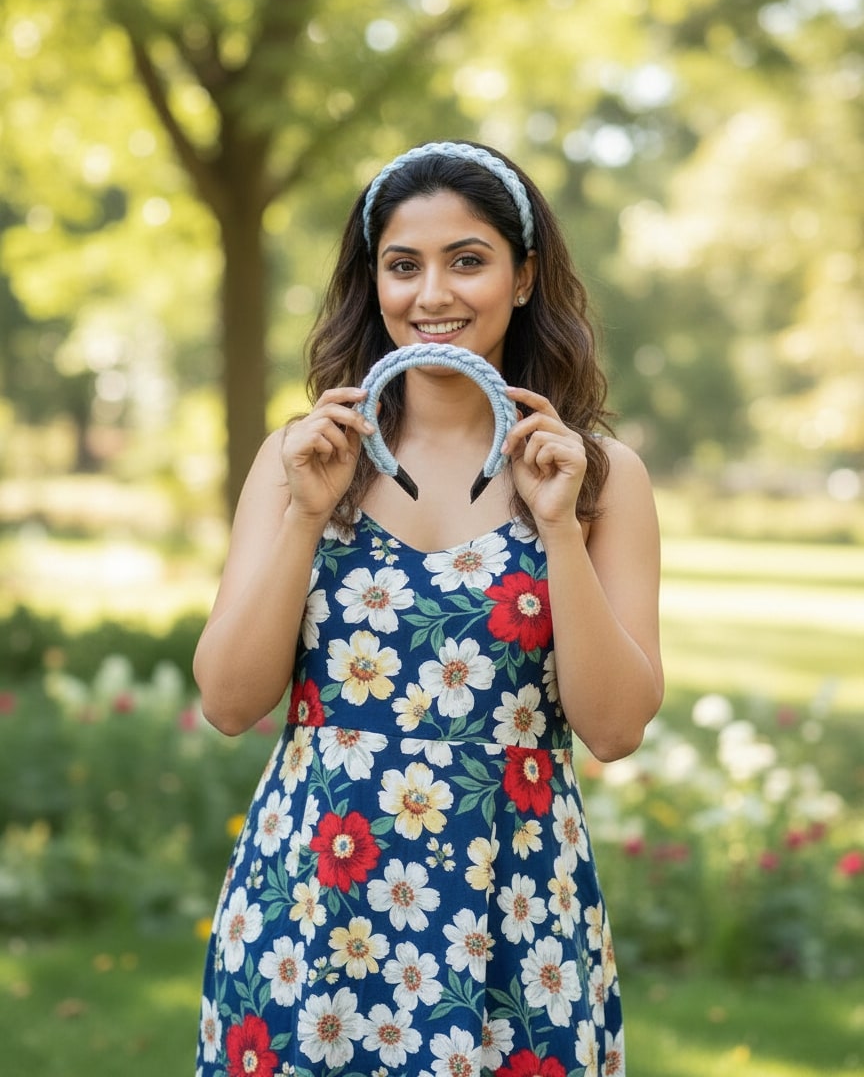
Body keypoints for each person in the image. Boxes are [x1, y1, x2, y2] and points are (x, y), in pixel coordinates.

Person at [193, 140, 663, 1077]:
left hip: (515, 909)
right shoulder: (302, 459)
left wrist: (560, 528)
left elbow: (612, 730)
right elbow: (230, 703)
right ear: (373, 283)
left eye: (468, 259)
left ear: (524, 278)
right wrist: (304, 516)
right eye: (402, 265)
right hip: (313, 908)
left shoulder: (601, 476)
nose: (431, 294)